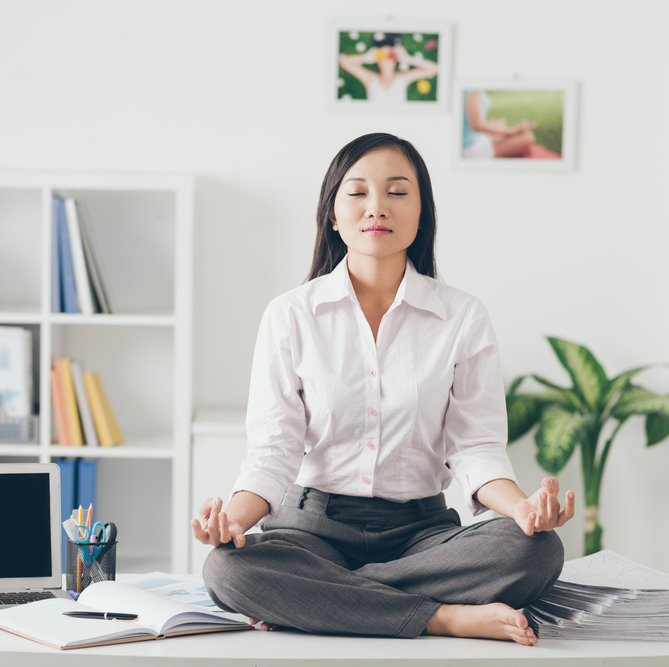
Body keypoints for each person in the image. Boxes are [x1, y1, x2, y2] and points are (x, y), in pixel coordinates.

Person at [192, 133, 574, 646]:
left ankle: (320, 603)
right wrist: (231, 524)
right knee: (227, 570)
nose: (377, 207)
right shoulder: (290, 315)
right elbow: (273, 450)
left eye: (397, 192)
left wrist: (522, 510)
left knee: (538, 550)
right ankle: (441, 616)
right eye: (357, 193)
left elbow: (475, 448)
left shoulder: (462, 316)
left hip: (421, 535)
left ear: (421, 213)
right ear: (332, 213)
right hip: (311, 529)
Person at [339, 35, 438, 104]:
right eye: (382, 56)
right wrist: (365, 57)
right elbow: (343, 62)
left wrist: (407, 58)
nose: (386, 59)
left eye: (390, 55)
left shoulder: (402, 79)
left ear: (396, 60)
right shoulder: (370, 79)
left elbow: (434, 69)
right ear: (377, 60)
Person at [462, 90, 537, 158]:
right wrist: (512, 131)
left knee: (499, 126)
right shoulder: (472, 90)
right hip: (469, 149)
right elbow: (477, 126)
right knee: (527, 137)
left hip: (473, 139)